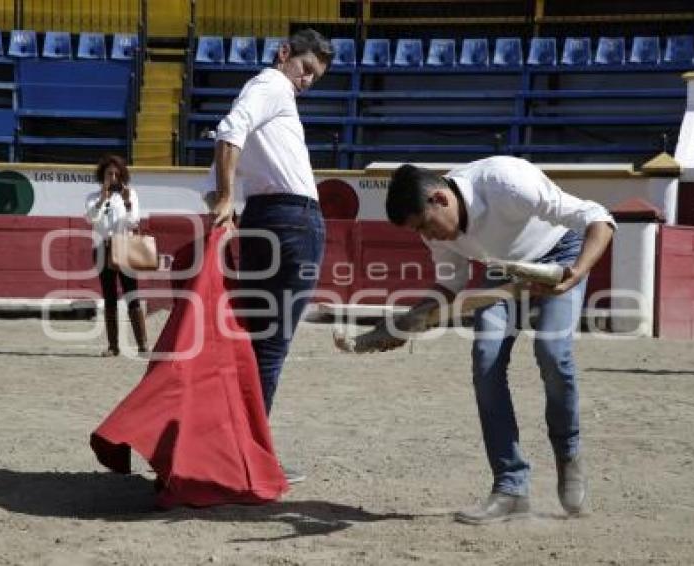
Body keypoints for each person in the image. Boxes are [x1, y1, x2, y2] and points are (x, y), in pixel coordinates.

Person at [382, 156, 616, 524]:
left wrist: (575, 275)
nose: (427, 236)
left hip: (561, 256)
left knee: (553, 353)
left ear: (440, 199)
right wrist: (411, 318)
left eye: (426, 226)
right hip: (501, 271)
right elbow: (449, 284)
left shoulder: (505, 181)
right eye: (418, 232)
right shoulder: (437, 229)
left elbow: (598, 218)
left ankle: (568, 453)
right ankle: (511, 487)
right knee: (486, 359)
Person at [208, 28, 333, 483]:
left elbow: (225, 144)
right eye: (305, 69)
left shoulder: (266, 92)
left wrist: (219, 198)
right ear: (284, 54)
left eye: (314, 77)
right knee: (271, 346)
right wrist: (225, 198)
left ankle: (240, 447)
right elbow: (229, 133)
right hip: (292, 220)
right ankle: (251, 453)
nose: (306, 82)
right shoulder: (272, 85)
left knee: (257, 341)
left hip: (266, 217)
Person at [85, 154, 148, 357]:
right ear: (102, 176)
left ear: (122, 177)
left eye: (116, 174)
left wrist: (128, 204)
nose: (112, 178)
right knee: (109, 297)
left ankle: (143, 345)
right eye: (109, 174)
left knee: (132, 295)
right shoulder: (93, 197)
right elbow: (91, 219)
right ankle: (113, 346)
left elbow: (134, 222)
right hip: (103, 248)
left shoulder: (130, 195)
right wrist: (102, 199)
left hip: (124, 246)